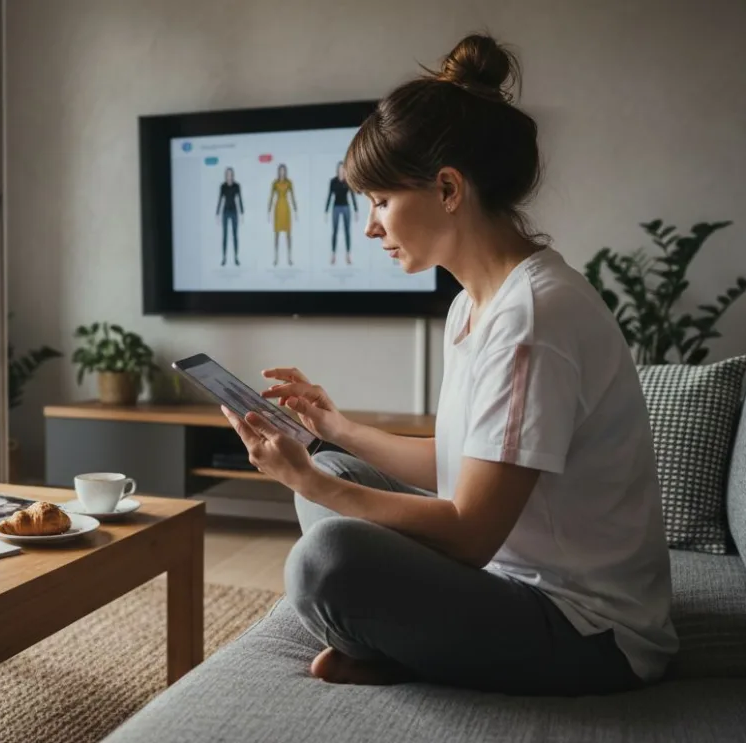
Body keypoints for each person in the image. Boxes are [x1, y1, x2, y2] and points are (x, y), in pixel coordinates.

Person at [221, 33, 677, 696]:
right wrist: (333, 428)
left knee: (326, 558)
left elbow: (469, 534)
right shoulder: (475, 305)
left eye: (379, 201)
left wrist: (318, 486)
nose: (372, 227)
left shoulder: (533, 321)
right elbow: (457, 464)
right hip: (509, 582)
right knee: (334, 470)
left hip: (590, 633)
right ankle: (405, 642)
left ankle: (401, 645)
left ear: (447, 188)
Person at [324, 161, 358, 264]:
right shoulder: (333, 181)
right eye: (340, 168)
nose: (341, 170)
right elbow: (329, 196)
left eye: (343, 169)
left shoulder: (348, 181)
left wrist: (356, 210)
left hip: (346, 207)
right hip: (336, 207)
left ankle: (348, 255)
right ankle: (333, 255)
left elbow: (352, 196)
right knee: (335, 231)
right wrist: (326, 211)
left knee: (347, 231)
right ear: (337, 170)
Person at [267, 163, 297, 266]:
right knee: (277, 234)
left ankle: (289, 258)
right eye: (280, 170)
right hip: (278, 208)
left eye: (283, 170)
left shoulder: (289, 183)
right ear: (278, 171)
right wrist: (269, 209)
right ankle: (276, 258)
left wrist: (295, 209)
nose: (282, 172)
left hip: (286, 208)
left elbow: (292, 196)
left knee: (288, 234)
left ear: (286, 171)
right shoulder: (275, 183)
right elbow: (271, 197)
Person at [215, 167, 244, 266]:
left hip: (234, 211)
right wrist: (217, 213)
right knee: (225, 236)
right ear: (225, 175)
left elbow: (239, 199)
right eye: (227, 174)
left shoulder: (237, 186)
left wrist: (242, 214)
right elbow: (220, 199)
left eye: (230, 174)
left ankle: (236, 257)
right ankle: (224, 258)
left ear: (233, 175)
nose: (229, 175)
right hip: (226, 211)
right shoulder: (223, 186)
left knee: (235, 235)